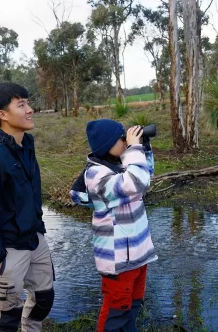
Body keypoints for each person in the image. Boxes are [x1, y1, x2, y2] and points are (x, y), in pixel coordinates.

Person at [0, 82, 55, 332]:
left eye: (28, 103)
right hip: (8, 248)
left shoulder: (26, 144)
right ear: (3, 115)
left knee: (43, 300)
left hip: (34, 239)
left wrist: (38, 229)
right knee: (8, 314)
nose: (30, 109)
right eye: (22, 105)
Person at [70, 119, 158, 332]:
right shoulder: (97, 176)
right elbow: (136, 183)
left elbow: (146, 175)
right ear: (106, 145)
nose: (125, 141)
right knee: (116, 311)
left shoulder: (119, 164)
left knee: (133, 306)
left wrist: (143, 147)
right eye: (121, 139)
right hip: (118, 259)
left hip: (137, 254)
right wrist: (134, 148)